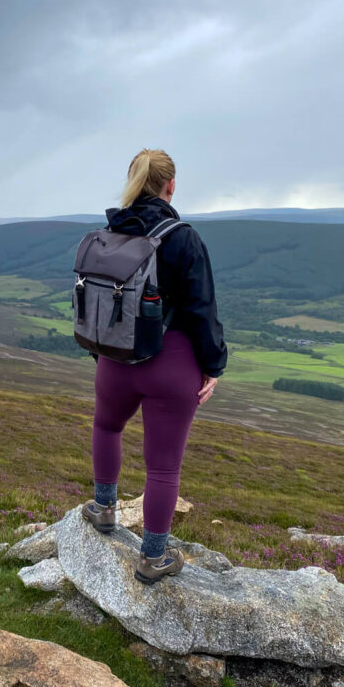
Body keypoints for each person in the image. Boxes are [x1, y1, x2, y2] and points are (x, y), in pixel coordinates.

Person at [81, 148, 227, 584]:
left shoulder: (110, 232)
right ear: (171, 185)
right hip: (172, 362)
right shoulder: (183, 238)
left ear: (133, 181)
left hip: (114, 359)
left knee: (107, 427)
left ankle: (103, 508)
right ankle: (153, 557)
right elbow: (202, 310)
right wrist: (213, 365)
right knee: (163, 467)